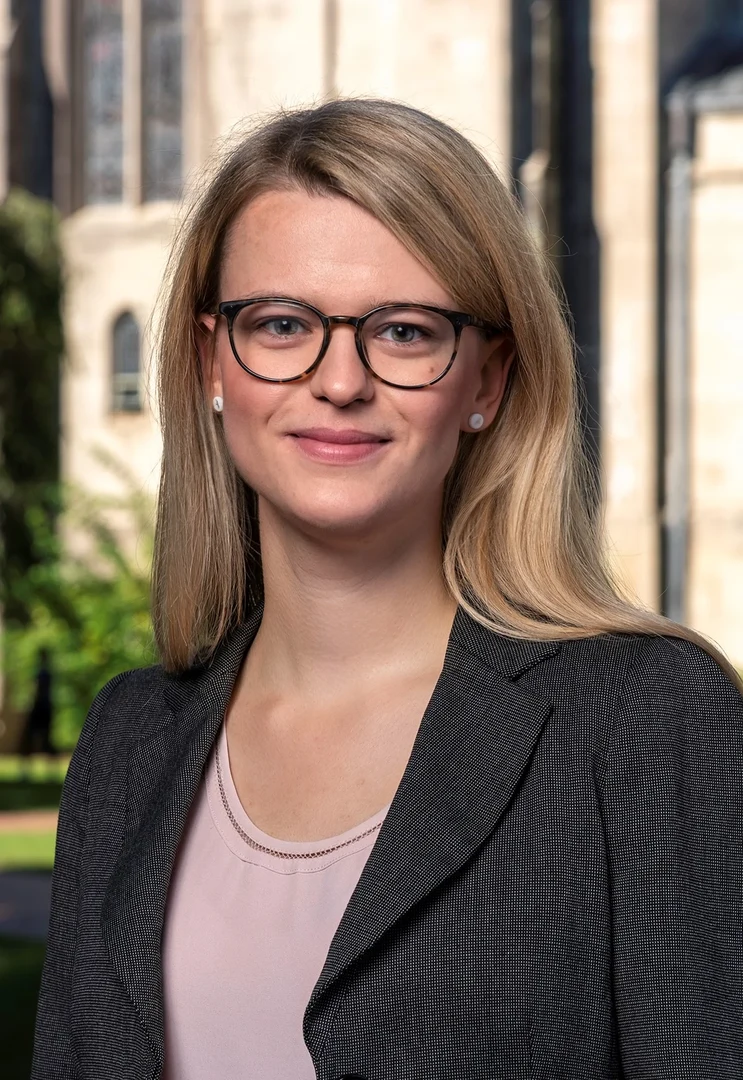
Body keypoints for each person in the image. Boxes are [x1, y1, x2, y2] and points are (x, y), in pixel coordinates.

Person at [32, 99, 743, 1080]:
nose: (339, 381)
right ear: (211, 364)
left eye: (403, 331)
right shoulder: (128, 744)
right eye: (281, 324)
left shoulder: (640, 720)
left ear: (485, 382)